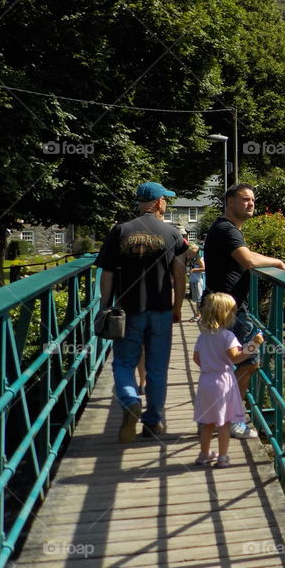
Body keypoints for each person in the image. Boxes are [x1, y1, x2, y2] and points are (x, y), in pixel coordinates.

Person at [95, 181, 187, 442]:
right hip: (160, 311)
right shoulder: (171, 234)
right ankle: (152, 422)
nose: (166, 204)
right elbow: (179, 274)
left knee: (123, 362)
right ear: (158, 203)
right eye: (165, 200)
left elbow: (108, 272)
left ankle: (130, 400)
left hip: (127, 312)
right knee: (158, 368)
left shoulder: (120, 230)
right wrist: (177, 306)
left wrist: (105, 306)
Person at [203, 183, 285, 439]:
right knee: (249, 361)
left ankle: (220, 416)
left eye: (253, 200)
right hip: (230, 309)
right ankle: (233, 419)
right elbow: (247, 260)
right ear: (229, 202)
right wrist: (277, 261)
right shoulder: (228, 230)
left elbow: (246, 255)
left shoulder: (224, 228)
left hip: (220, 306)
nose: (251, 204)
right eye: (244, 199)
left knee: (226, 363)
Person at [192, 292, 262, 468]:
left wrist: (209, 364)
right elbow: (237, 357)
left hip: (206, 380)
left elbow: (196, 359)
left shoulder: (203, 337)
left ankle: (204, 454)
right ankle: (223, 457)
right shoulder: (228, 337)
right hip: (223, 381)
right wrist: (254, 344)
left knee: (208, 421)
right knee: (224, 422)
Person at [186, 243, 205, 320]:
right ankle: (198, 314)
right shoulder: (192, 259)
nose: (189, 254)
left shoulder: (199, 258)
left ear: (194, 252)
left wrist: (193, 270)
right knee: (196, 299)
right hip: (193, 280)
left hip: (198, 281)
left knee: (199, 299)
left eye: (190, 253)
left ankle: (199, 315)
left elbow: (204, 268)